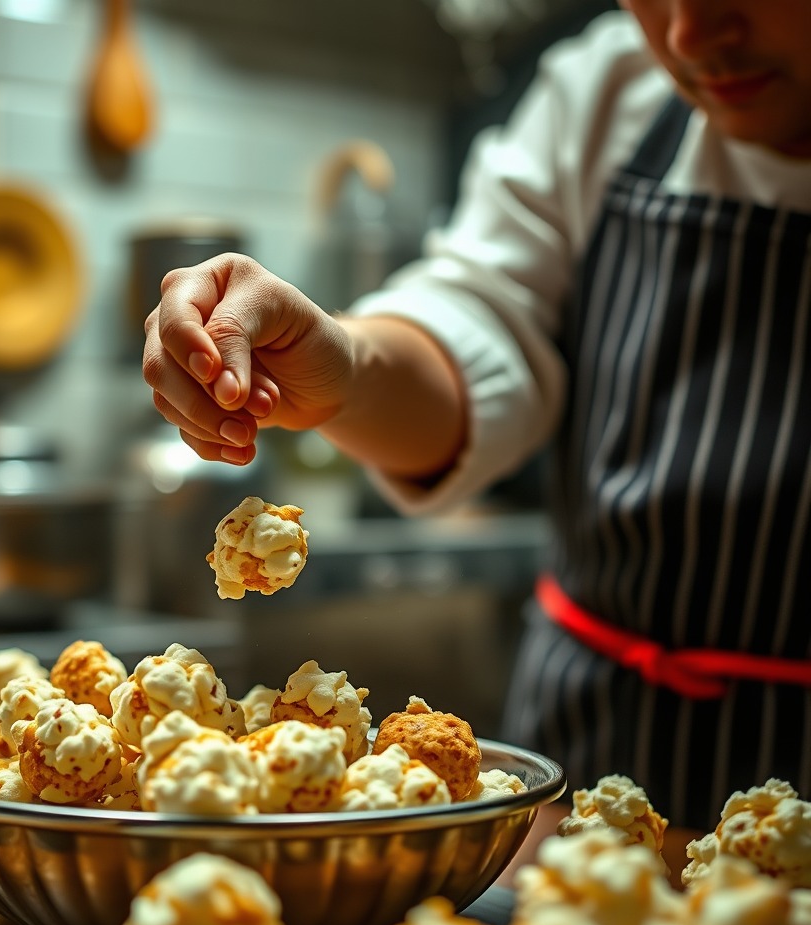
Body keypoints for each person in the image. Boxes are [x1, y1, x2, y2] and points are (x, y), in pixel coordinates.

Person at [141, 0, 811, 878]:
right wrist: (341, 365)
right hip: (591, 779)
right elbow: (479, 321)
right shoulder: (612, 92)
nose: (690, 37)